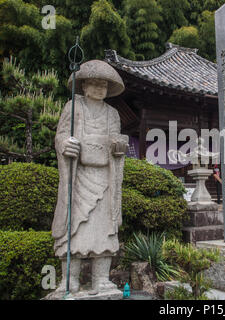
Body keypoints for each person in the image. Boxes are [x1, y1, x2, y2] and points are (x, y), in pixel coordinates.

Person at [51, 60, 128, 295]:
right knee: (73, 228)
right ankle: (69, 280)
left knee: (104, 228)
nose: (99, 88)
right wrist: (66, 144)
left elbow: (118, 141)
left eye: (103, 85)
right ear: (84, 86)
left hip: (105, 177)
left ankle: (101, 279)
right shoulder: (73, 107)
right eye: (94, 83)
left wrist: (118, 146)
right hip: (79, 176)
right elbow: (61, 135)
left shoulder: (112, 113)